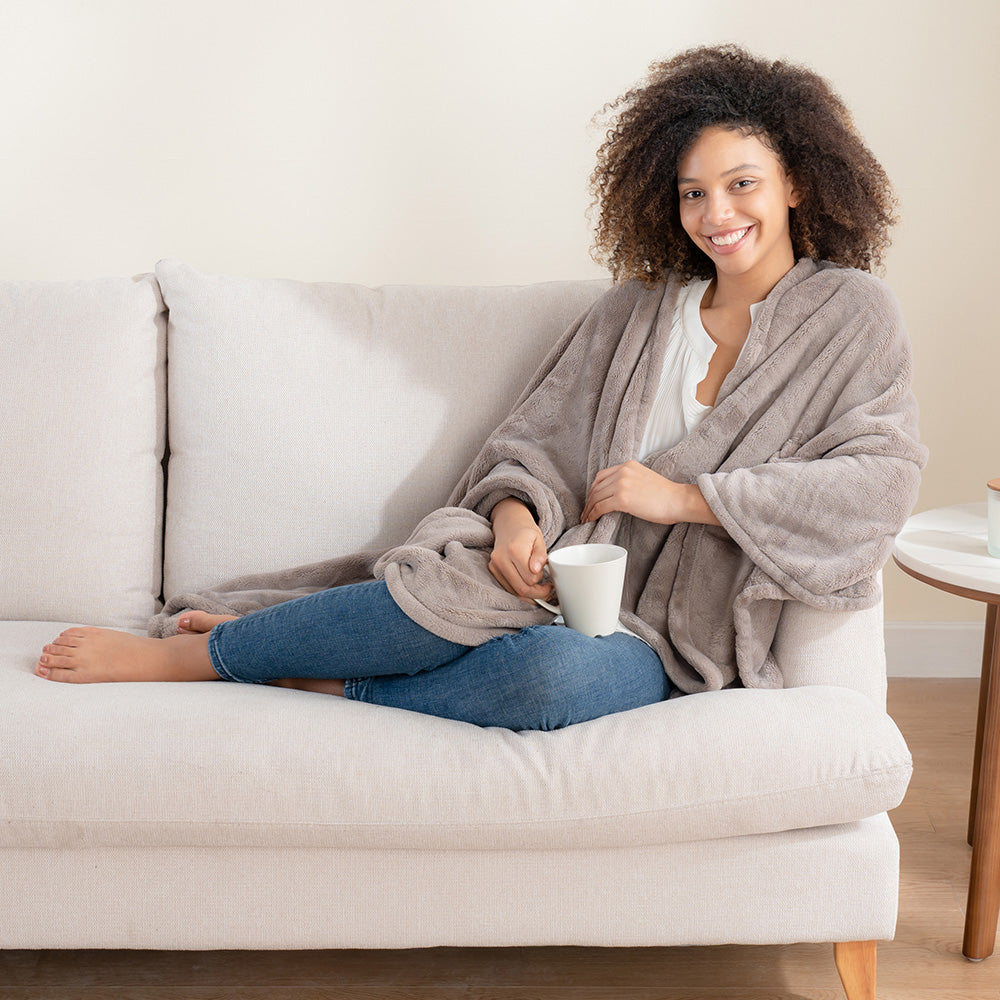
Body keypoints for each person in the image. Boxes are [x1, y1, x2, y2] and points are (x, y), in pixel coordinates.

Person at [34, 44, 926, 729]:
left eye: (741, 185)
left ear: (798, 183)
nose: (717, 215)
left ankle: (323, 680)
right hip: (543, 581)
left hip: (660, 631)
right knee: (434, 596)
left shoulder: (853, 314)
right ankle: (196, 661)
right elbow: (530, 445)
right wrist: (514, 522)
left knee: (547, 682)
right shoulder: (637, 313)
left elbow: (880, 482)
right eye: (693, 194)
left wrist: (689, 500)